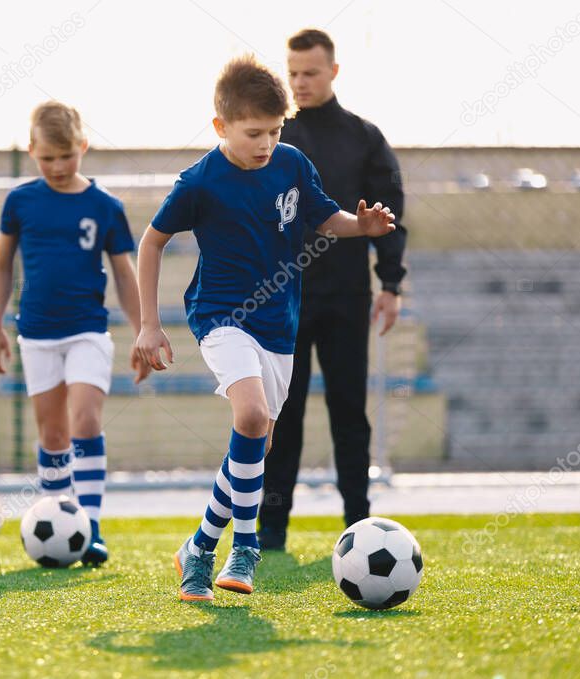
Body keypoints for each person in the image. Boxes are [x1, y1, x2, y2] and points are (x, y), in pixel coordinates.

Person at [135, 55, 395, 601]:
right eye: (254, 133)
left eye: (275, 130)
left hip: (280, 325)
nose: (267, 143)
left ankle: (198, 545)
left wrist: (361, 226)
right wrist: (149, 325)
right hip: (221, 317)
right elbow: (151, 242)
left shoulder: (293, 163)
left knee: (259, 440)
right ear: (220, 127)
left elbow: (327, 217)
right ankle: (242, 548)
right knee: (251, 416)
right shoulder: (200, 181)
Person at [259, 28, 409, 550]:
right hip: (282, 299)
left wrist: (390, 283)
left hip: (347, 297)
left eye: (310, 73)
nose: (299, 83)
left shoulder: (364, 137)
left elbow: (392, 215)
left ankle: (360, 525)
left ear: (333, 72)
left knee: (349, 411)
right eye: (292, 73)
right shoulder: (271, 137)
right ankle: (271, 531)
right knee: (284, 413)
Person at [0, 101, 147, 566]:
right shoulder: (20, 202)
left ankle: (90, 527)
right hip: (35, 334)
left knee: (86, 422)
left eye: (66, 157)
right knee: (52, 434)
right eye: (46, 158)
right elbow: (0, 266)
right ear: (32, 151)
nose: (56, 167)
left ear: (83, 147)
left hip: (87, 331)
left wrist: (141, 332)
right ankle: (57, 524)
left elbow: (124, 272)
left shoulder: (105, 206)